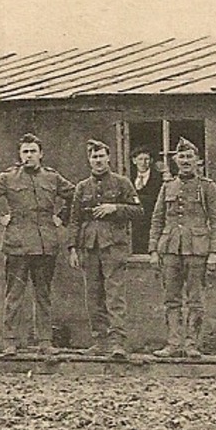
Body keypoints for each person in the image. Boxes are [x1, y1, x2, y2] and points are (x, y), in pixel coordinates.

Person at [0, 133, 75, 355]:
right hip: (17, 245)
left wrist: (62, 216)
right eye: (25, 152)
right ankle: (10, 341)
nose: (29, 156)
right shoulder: (8, 178)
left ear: (41, 154)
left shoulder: (52, 178)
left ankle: (45, 341)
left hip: (45, 245)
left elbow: (75, 196)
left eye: (33, 151)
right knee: (14, 294)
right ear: (20, 155)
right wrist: (0, 216)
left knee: (43, 294)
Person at [148, 138, 216, 358]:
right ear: (175, 161)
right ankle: (173, 344)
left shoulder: (207, 187)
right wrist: (153, 250)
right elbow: (157, 220)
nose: (185, 161)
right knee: (171, 298)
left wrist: (214, 252)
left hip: (198, 250)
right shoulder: (167, 187)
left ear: (198, 161)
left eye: (189, 156)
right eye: (181, 157)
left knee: (195, 299)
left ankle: (192, 345)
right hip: (170, 249)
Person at [68, 138, 144, 358]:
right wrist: (72, 248)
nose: (98, 160)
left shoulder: (122, 183)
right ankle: (100, 341)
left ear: (108, 158)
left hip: (114, 247)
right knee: (93, 296)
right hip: (90, 247)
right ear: (89, 160)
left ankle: (118, 343)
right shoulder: (82, 187)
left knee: (114, 296)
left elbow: (138, 212)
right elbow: (75, 220)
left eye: (101, 156)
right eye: (94, 156)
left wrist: (115, 208)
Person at [129, 149, 161, 254]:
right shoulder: (129, 177)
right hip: (135, 219)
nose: (143, 162)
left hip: (151, 217)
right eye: (140, 159)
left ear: (151, 161)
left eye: (146, 159)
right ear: (134, 161)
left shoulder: (158, 177)